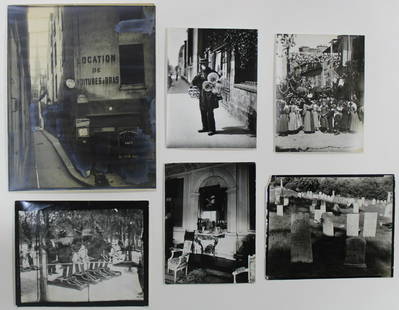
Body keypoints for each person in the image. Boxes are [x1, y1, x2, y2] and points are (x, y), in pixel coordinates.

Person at [191, 59, 220, 136]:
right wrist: (198, 77)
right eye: (202, 63)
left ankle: (212, 129)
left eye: (204, 63)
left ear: (207, 64)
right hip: (202, 95)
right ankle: (205, 127)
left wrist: (214, 84)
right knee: (203, 111)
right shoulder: (200, 73)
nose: (203, 65)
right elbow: (193, 82)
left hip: (210, 95)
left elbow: (218, 79)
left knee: (210, 112)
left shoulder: (212, 72)